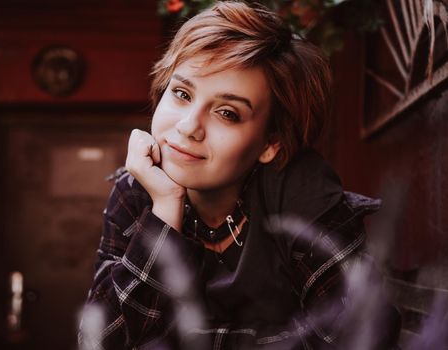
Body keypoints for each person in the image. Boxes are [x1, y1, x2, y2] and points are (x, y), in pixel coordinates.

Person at [79, 1, 401, 349]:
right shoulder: (138, 191)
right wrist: (164, 210)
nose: (189, 127)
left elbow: (361, 336)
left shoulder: (302, 192)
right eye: (182, 93)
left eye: (228, 113)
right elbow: (101, 340)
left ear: (270, 143)